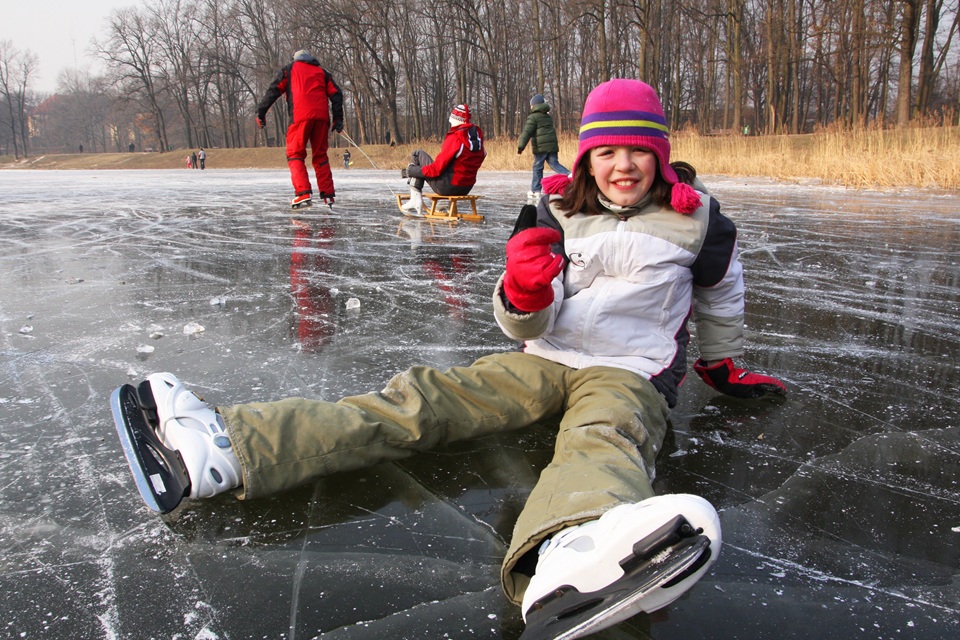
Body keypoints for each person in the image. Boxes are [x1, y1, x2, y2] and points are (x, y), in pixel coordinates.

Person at [112, 79, 786, 638]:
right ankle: (232, 447)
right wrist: (521, 289)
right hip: (544, 354)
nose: (622, 165)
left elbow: (722, 298)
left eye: (637, 150)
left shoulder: (699, 222)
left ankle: (570, 550)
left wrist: (721, 367)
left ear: (661, 156)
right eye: (606, 150)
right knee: (422, 399)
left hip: (629, 371)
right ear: (585, 157)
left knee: (607, 439)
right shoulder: (554, 208)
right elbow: (524, 314)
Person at [256, 50, 344, 208]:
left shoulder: (289, 70)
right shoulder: (323, 73)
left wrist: (261, 113)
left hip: (300, 116)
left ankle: (303, 193)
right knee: (320, 155)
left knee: (295, 153)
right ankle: (328, 195)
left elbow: (273, 90)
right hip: (322, 118)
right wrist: (338, 119)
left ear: (295, 59)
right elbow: (336, 94)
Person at [399, 104, 485, 214]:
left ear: (455, 120)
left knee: (417, 154)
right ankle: (443, 204)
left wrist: (410, 171)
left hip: (448, 187)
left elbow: (436, 170)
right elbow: (480, 157)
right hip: (466, 187)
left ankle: (415, 199)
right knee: (450, 166)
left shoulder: (455, 138)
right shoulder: (477, 140)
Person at [517, 93, 569, 199]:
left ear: (535, 105)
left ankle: (536, 190)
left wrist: (521, 146)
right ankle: (569, 174)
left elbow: (527, 132)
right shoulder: (547, 116)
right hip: (552, 145)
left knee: (537, 167)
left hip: (541, 147)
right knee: (554, 164)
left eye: (531, 105)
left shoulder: (533, 117)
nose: (530, 107)